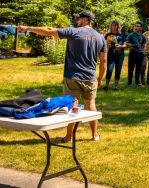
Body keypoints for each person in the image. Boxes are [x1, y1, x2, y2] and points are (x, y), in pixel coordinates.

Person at [18, 10, 106, 142]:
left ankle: (69, 137)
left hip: (73, 77)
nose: (78, 21)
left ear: (86, 20)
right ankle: (94, 135)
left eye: (80, 19)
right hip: (90, 78)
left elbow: (49, 30)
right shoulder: (100, 38)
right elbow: (104, 61)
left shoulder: (74, 32)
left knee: (73, 105)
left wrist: (28, 28)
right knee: (91, 105)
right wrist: (100, 79)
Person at [104, 21, 127, 91]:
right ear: (111, 26)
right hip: (110, 55)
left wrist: (120, 46)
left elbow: (125, 45)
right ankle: (106, 86)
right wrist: (107, 45)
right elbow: (104, 44)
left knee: (118, 70)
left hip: (120, 55)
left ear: (118, 26)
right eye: (113, 25)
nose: (114, 27)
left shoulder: (121, 35)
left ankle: (116, 87)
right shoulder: (107, 34)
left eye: (116, 25)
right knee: (109, 70)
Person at [126, 22, 146, 88]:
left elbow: (143, 44)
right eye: (136, 26)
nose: (136, 27)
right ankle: (129, 84)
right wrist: (133, 45)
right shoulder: (131, 35)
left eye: (138, 26)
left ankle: (138, 83)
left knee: (138, 69)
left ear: (141, 28)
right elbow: (127, 44)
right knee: (131, 69)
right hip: (133, 53)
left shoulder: (142, 36)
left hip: (140, 54)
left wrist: (141, 49)